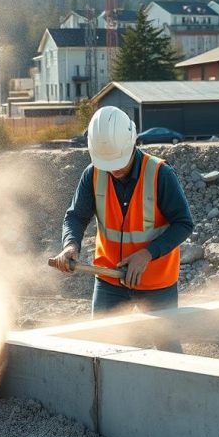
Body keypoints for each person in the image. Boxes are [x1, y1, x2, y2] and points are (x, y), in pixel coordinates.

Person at [49, 106, 194, 317]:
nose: (114, 169)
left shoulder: (160, 174)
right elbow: (76, 216)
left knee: (166, 346)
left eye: (119, 161)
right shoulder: (93, 175)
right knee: (102, 345)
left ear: (132, 143)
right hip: (109, 279)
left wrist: (146, 254)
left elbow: (183, 223)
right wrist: (70, 245)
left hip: (156, 282)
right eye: (107, 163)